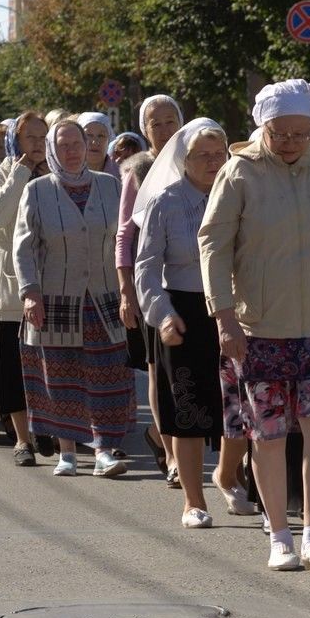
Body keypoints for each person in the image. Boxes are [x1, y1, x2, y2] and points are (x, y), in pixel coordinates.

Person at [200, 78, 310, 574]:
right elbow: (213, 245)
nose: (291, 142)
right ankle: (279, 536)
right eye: (281, 133)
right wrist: (224, 317)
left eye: (301, 133)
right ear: (263, 127)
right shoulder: (239, 172)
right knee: (269, 433)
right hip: (259, 327)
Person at [134, 118, 255, 528]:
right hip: (182, 312)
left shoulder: (241, 193)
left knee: (242, 406)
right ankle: (193, 501)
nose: (212, 161)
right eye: (202, 155)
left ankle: (227, 474)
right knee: (187, 409)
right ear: (183, 159)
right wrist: (163, 314)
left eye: (218, 153)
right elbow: (146, 267)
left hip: (237, 311)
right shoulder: (165, 202)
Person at [13, 117, 132, 478]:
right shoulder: (37, 190)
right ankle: (67, 453)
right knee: (61, 375)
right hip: (56, 299)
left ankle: (103, 451)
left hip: (104, 297)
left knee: (106, 374)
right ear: (52, 150)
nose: (72, 151)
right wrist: (30, 292)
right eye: (63, 145)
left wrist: (130, 288)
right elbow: (24, 247)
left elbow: (126, 239)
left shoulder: (111, 185)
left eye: (77, 143)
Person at [116, 95, 183, 484]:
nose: (165, 129)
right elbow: (125, 235)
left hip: (195, 280)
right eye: (156, 123)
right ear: (144, 130)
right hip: (152, 282)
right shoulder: (138, 171)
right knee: (159, 370)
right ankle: (172, 455)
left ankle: (161, 435)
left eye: (171, 120)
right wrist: (127, 289)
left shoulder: (199, 161)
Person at [0, 110, 50, 466]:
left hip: (49, 277)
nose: (38, 144)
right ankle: (23, 439)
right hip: (8, 283)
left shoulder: (55, 174)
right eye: (30, 138)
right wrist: (20, 173)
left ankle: (49, 427)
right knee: (12, 366)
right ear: (14, 141)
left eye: (42, 137)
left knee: (50, 362)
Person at [76, 111, 118, 178]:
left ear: (109, 140)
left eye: (101, 136)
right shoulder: (66, 175)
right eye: (88, 135)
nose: (94, 142)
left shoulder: (122, 176)